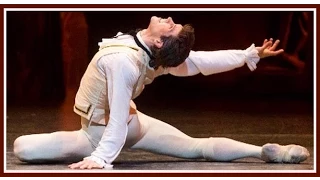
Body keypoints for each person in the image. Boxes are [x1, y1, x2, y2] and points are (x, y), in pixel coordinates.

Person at [13, 16, 310, 170]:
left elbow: (116, 120)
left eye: (172, 26)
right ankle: (264, 152)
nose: (169, 19)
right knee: (196, 148)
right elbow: (199, 61)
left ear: (159, 42)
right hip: (135, 125)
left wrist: (101, 158)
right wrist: (247, 55)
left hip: (101, 133)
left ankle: (268, 153)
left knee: (22, 148)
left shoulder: (125, 61)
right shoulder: (152, 56)